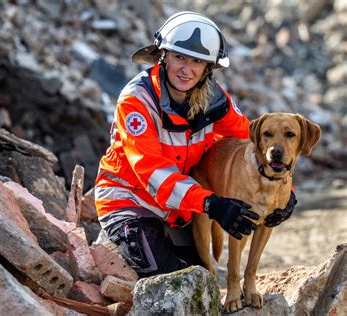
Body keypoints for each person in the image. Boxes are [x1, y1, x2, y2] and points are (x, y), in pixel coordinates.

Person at [94, 11, 297, 277]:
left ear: (208, 68)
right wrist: (213, 205)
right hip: (130, 202)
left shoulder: (215, 99)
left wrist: (287, 191)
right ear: (163, 56)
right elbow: (153, 173)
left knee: (200, 278)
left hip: (179, 208)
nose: (186, 70)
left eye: (197, 61)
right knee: (168, 277)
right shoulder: (137, 101)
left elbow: (255, 144)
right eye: (179, 57)